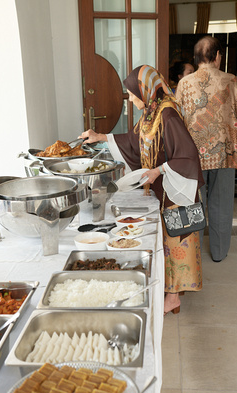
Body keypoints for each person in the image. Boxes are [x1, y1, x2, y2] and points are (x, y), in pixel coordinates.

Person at [80, 65, 204, 315]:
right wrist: (101, 136)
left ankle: (173, 297)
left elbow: (188, 155)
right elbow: (134, 141)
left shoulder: (168, 114)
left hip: (175, 187)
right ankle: (170, 290)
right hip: (162, 187)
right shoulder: (151, 112)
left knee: (177, 238)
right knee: (168, 240)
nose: (132, 100)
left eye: (134, 94)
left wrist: (158, 171)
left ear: (147, 90)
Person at [176, 36, 237, 262]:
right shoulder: (231, 80)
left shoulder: (184, 84)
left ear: (196, 58)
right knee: (222, 206)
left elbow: (177, 119)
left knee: (194, 205)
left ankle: (192, 255)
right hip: (225, 155)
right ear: (217, 56)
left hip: (193, 157)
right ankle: (218, 253)